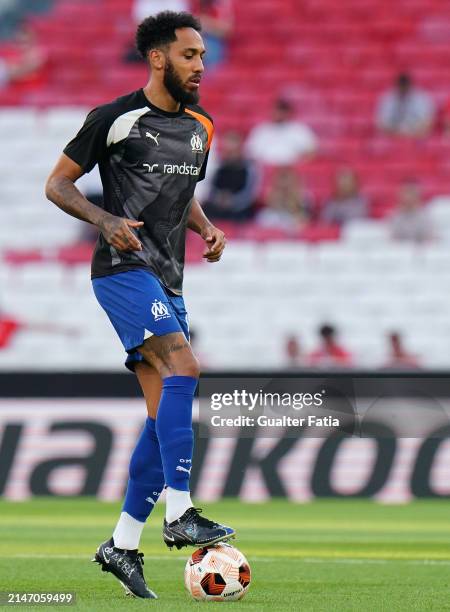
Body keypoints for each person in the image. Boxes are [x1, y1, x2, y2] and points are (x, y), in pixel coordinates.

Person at [45, 11, 234, 600]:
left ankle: (121, 546)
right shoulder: (115, 118)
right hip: (122, 272)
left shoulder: (202, 125)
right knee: (187, 368)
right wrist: (105, 221)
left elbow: (181, 192)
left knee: (160, 421)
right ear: (158, 58)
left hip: (169, 279)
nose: (200, 66)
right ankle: (180, 513)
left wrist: (204, 227)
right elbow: (58, 184)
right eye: (189, 56)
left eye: (202, 56)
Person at [203, 130, 259, 221]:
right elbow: (211, 189)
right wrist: (219, 198)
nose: (230, 154)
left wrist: (232, 201)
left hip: (240, 209)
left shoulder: (249, 168)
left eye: (233, 151)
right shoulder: (218, 167)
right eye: (228, 151)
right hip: (218, 206)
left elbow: (250, 193)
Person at [245, 98, 318, 166]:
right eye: (276, 111)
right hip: (264, 169)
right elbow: (250, 153)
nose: (278, 114)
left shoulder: (300, 129)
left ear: (288, 112)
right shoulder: (260, 130)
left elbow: (311, 152)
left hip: (292, 170)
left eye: (281, 111)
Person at [375, 73, 436, 138]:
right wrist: (398, 134)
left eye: (405, 87)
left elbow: (428, 122)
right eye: (401, 87)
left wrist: (410, 134)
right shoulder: (387, 98)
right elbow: (381, 123)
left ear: (410, 86)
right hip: (392, 136)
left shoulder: (422, 98)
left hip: (416, 136)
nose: (403, 90)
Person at [255, 167, 313, 232]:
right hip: (274, 219)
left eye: (288, 187)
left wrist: (294, 204)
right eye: (281, 188)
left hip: (295, 220)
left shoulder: (305, 198)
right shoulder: (267, 215)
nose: (285, 191)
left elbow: (306, 220)